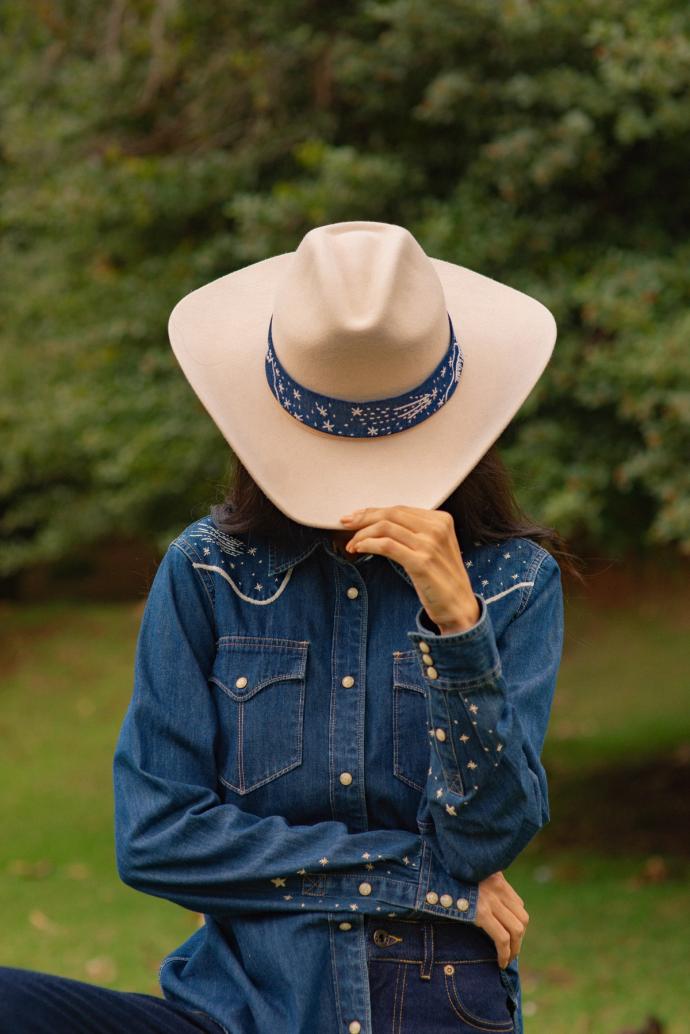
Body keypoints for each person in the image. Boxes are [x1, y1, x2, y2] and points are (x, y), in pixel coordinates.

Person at [0, 221, 573, 1034]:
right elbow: (156, 837)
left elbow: (485, 838)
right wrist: (419, 882)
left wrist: (458, 629)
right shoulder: (207, 573)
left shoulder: (512, 584)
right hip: (237, 1009)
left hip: (430, 1008)